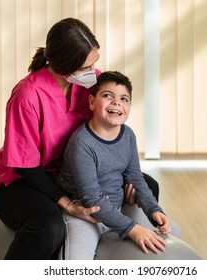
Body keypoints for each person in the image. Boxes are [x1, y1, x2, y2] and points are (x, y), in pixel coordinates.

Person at [0, 18, 160, 260]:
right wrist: (67, 204)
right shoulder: (27, 95)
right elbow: (26, 166)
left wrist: (126, 181)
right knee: (49, 227)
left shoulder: (90, 83)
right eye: (85, 68)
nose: (93, 73)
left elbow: (111, 126)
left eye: (94, 64)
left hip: (75, 172)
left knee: (148, 186)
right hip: (24, 181)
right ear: (64, 65)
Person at [57, 71, 181, 260]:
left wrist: (154, 209)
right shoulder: (81, 143)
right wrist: (132, 229)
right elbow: (92, 199)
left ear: (129, 106)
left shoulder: (128, 135)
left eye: (124, 99)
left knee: (174, 234)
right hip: (87, 215)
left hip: (118, 207)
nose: (116, 103)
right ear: (92, 102)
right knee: (76, 261)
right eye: (108, 96)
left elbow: (135, 177)